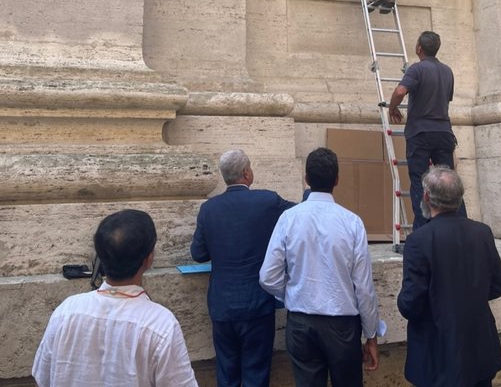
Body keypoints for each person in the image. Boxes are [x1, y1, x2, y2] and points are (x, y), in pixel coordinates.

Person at [259, 147, 385, 387]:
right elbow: (364, 289)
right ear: (337, 180)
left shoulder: (289, 218)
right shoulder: (352, 223)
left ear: (306, 178)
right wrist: (371, 335)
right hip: (342, 325)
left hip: (300, 321)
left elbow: (268, 276)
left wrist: (293, 292)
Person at [32, 209, 198, 387]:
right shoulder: (160, 325)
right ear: (149, 259)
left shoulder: (65, 311)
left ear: (101, 257)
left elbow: (43, 378)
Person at [190, 149, 295, 387]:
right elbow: (300, 212)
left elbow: (198, 254)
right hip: (256, 304)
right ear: (246, 173)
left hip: (222, 306)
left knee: (226, 372)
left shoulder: (209, 209)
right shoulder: (267, 201)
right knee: (256, 373)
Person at [397, 166, 501, 387]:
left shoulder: (419, 240)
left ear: (426, 197)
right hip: (477, 350)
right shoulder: (482, 232)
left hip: (436, 354)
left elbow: (411, 303)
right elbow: (497, 286)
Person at [388, 30, 466, 230]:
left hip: (420, 133)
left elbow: (400, 91)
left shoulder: (417, 69)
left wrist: (393, 107)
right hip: (443, 132)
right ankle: (458, 226)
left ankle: (423, 230)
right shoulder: (448, 71)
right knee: (448, 181)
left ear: (419, 48)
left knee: (419, 181)